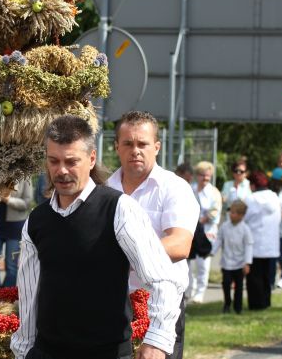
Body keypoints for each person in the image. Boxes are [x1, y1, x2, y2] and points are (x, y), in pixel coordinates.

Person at [11, 115, 183, 359]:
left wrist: (157, 340)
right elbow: (29, 295)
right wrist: (23, 351)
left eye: (71, 162)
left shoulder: (119, 209)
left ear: (91, 159)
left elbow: (163, 279)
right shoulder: (37, 220)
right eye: (54, 161)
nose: (61, 170)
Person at [107, 111, 199, 359]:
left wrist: (123, 256)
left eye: (142, 144)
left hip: (160, 307)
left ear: (156, 147)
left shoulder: (175, 187)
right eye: (128, 144)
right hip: (110, 304)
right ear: (117, 147)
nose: (135, 150)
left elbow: (180, 244)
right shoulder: (103, 190)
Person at [243, 171, 281, 310]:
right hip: (271, 243)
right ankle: (266, 302)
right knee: (267, 277)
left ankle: (255, 304)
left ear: (253, 185)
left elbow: (244, 219)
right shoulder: (275, 197)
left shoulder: (250, 199)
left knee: (254, 277)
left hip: (254, 243)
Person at [0, 178, 34, 287]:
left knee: (11, 266)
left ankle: (6, 298)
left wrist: (8, 200)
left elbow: (26, 203)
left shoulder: (24, 174)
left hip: (15, 227)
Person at [211, 200, 253, 314]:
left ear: (241, 215)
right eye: (231, 212)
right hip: (227, 262)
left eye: (234, 213)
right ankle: (227, 303)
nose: (231, 214)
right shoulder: (224, 226)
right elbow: (219, 239)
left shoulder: (245, 229)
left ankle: (238, 307)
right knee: (226, 284)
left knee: (238, 287)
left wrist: (247, 263)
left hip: (240, 264)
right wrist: (212, 251)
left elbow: (248, 246)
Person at [188, 161, 222, 303]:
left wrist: (202, 219)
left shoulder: (214, 192)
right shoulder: (190, 189)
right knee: (188, 262)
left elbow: (215, 211)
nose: (205, 178)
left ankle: (200, 292)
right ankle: (189, 289)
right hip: (191, 230)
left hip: (207, 231)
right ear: (197, 176)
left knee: (203, 263)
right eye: (202, 175)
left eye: (208, 176)